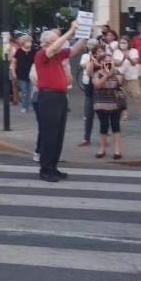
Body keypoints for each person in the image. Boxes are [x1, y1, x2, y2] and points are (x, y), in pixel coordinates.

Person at [34, 21, 86, 182]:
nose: (59, 41)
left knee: (58, 135)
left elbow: (74, 50)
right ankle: (45, 169)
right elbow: (55, 48)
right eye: (55, 39)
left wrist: (84, 35)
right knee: (50, 135)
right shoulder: (42, 54)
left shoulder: (57, 55)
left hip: (60, 96)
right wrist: (70, 31)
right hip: (48, 97)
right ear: (47, 42)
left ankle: (53, 167)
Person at [91, 54, 123, 160]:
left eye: (110, 61)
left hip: (114, 103)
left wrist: (114, 69)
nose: (108, 63)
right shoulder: (96, 74)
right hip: (101, 103)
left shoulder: (116, 72)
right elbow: (97, 85)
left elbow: (121, 83)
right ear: (101, 63)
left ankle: (117, 150)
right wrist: (105, 74)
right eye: (106, 61)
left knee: (115, 125)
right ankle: (102, 148)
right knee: (104, 125)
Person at [113, 35, 141, 121]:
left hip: (132, 77)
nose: (122, 44)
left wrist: (128, 57)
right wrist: (123, 58)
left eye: (124, 43)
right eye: (121, 43)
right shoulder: (116, 52)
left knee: (137, 95)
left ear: (128, 43)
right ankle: (125, 113)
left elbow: (134, 62)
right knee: (122, 96)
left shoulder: (134, 51)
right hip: (120, 77)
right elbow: (117, 64)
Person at [77, 41, 103, 147]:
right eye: (97, 51)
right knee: (89, 115)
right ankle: (86, 138)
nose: (99, 53)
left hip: (102, 89)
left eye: (101, 51)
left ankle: (103, 138)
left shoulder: (106, 59)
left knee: (103, 116)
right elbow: (87, 70)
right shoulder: (86, 57)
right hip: (90, 88)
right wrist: (92, 59)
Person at [10, 34, 36, 113]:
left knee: (31, 91)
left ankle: (28, 104)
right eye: (27, 41)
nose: (29, 43)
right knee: (24, 91)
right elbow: (13, 63)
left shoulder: (33, 51)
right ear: (23, 42)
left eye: (30, 41)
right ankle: (24, 106)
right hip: (21, 74)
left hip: (31, 74)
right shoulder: (19, 52)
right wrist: (13, 72)